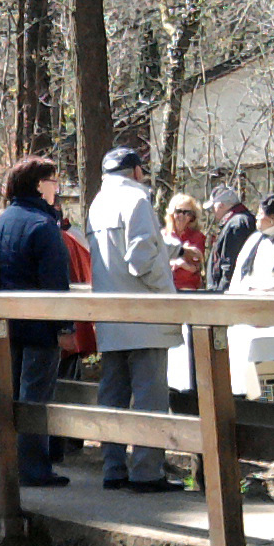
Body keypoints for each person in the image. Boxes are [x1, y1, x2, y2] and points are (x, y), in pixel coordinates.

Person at [88, 147, 182, 493]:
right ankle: (146, 472)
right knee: (149, 398)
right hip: (146, 316)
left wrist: (177, 251)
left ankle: (113, 468)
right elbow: (141, 256)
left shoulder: (98, 204)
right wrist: (164, 290)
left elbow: (133, 245)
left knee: (112, 395)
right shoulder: (138, 200)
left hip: (111, 316)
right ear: (136, 172)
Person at [0, 157, 73, 486]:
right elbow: (56, 283)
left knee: (10, 394)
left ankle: (8, 462)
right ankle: (34, 468)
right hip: (40, 326)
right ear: (39, 185)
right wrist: (65, 328)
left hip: (6, 324)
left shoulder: (3, 220)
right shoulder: (42, 225)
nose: (57, 188)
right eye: (53, 181)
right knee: (36, 397)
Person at [229, 193, 274, 291]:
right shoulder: (254, 238)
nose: (256, 217)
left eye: (260, 214)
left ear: (273, 219)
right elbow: (238, 273)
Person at [203, 185, 255, 292]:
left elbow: (229, 263)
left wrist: (221, 291)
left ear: (221, 206)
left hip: (228, 290)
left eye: (213, 207)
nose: (213, 211)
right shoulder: (238, 221)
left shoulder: (237, 224)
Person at [164, 195, 207, 292]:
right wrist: (179, 262)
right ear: (172, 213)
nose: (182, 216)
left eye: (187, 213)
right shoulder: (163, 236)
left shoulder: (197, 237)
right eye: (178, 211)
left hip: (189, 289)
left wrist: (179, 263)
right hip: (165, 288)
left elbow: (194, 267)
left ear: (192, 217)